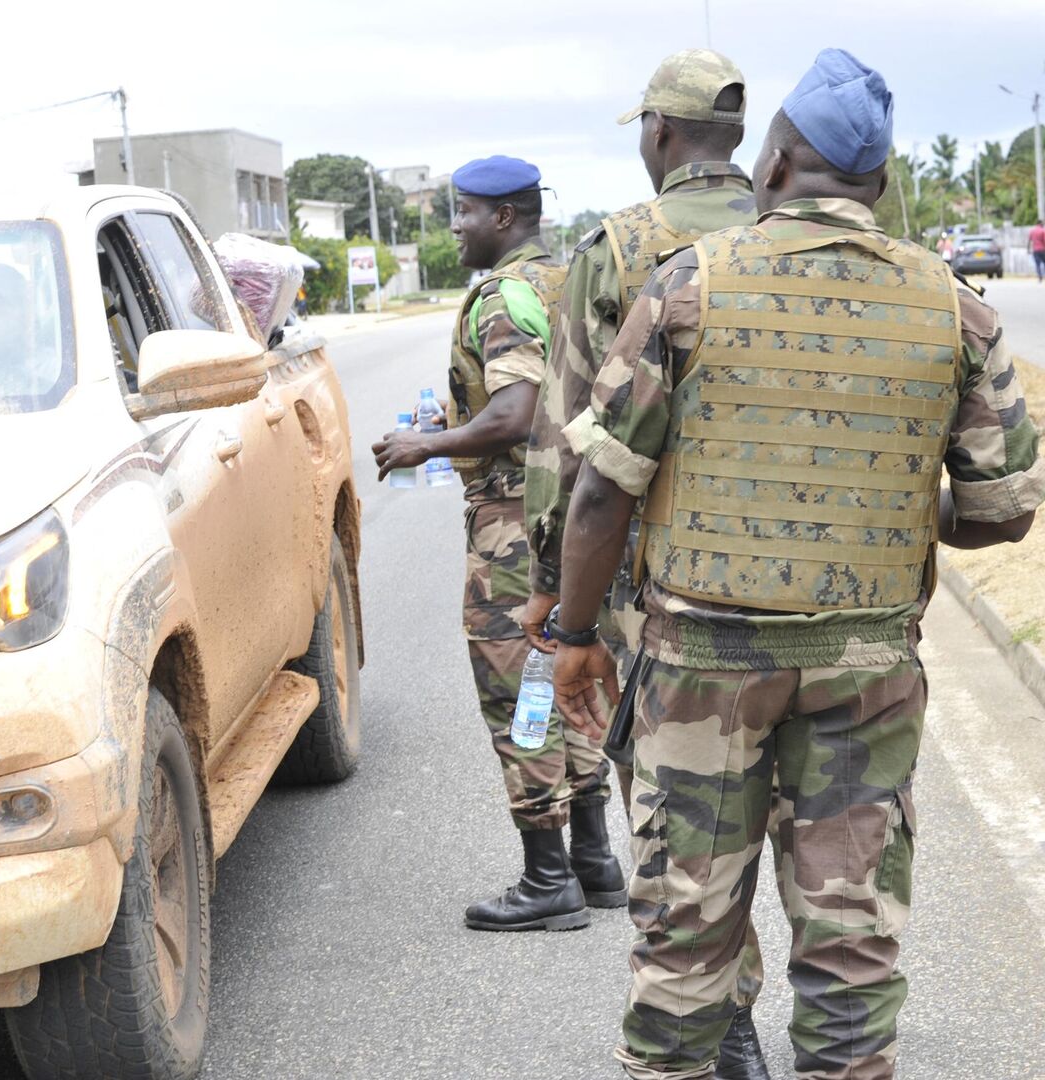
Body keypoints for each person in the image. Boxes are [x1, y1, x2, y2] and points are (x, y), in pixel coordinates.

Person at [549, 48, 1043, 1079]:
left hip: (699, 672)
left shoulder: (687, 287)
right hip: (868, 672)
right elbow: (1000, 514)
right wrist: (901, 512)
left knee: (685, 947)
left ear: (772, 167)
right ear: (879, 182)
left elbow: (602, 489)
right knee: (852, 955)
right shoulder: (954, 306)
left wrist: (574, 636)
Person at [516, 49, 771, 1076]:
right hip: (805, 587)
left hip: (654, 594)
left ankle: (729, 1022)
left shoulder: (616, 249)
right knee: (802, 819)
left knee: (682, 824)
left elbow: (567, 440)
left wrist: (552, 590)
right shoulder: (796, 232)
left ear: (660, 135)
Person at [371, 155, 615, 933]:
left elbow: (514, 414)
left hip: (514, 524)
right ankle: (595, 861)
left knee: (524, 694)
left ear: (504, 217)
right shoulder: (565, 279)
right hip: (575, 516)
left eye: (465, 212)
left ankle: (548, 880)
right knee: (564, 677)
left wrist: (427, 446)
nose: (455, 226)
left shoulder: (503, 297)